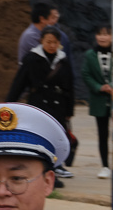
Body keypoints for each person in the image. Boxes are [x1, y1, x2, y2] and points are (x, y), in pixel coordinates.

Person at [8, 28, 78, 179]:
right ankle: (37, 165)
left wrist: (69, 111)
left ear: (59, 43)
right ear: (41, 41)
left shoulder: (63, 60)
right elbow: (19, 82)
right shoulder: (32, 58)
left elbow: (70, 87)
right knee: (38, 135)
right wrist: (8, 104)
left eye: (55, 42)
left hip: (58, 105)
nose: (52, 45)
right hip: (38, 105)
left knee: (58, 136)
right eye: (48, 42)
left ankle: (57, 165)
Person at [80, 25, 113, 179]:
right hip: (100, 99)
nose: (103, 37)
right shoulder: (90, 55)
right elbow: (86, 74)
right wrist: (99, 87)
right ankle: (105, 165)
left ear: (112, 36)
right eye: (100, 34)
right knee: (103, 134)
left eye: (106, 34)